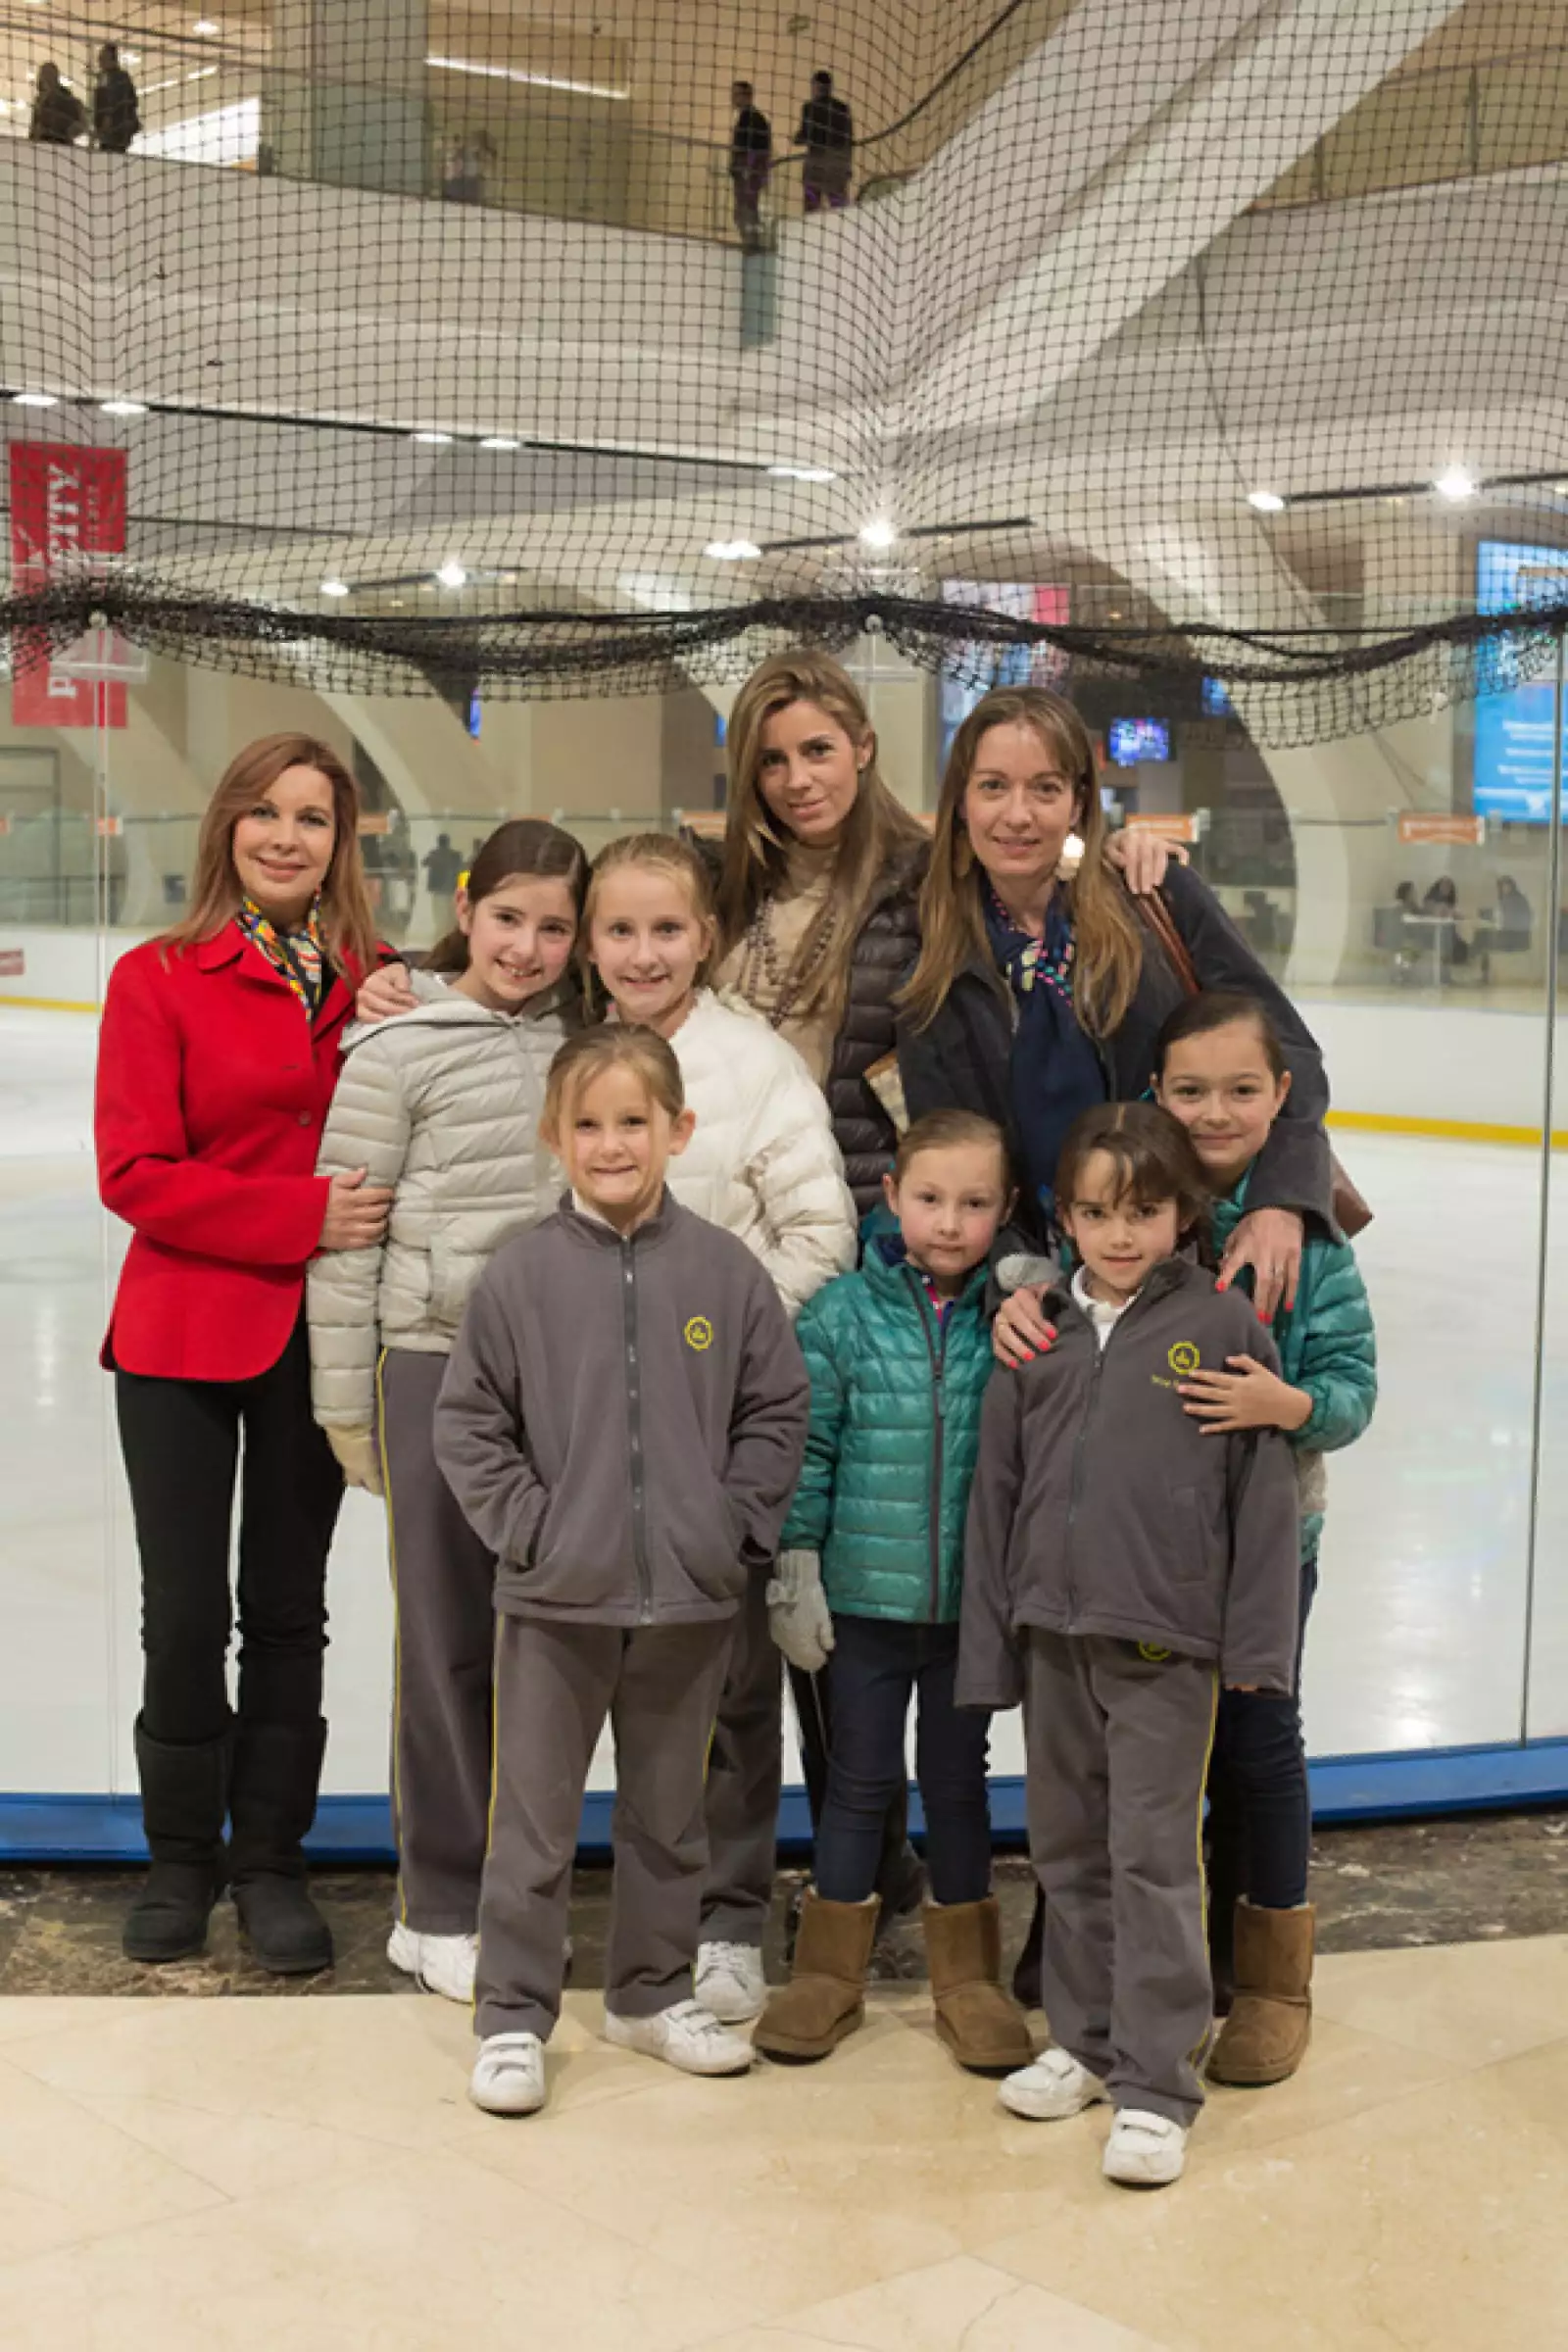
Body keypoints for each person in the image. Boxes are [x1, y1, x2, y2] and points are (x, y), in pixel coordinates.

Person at [433, 1026, 810, 2116]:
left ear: (677, 1130)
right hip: (555, 1604)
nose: (611, 1143)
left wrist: (732, 1527)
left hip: (690, 1603)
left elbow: (774, 1408)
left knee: (668, 1814)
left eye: (633, 1122)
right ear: (553, 1136)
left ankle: (649, 1990)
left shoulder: (724, 1272)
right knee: (536, 1820)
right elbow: (468, 1424)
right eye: (587, 1124)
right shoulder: (521, 1276)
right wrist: (531, 1529)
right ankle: (512, 2013)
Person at [958, 1102, 1301, 2188]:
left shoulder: (1221, 1331)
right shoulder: (1037, 1332)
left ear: (1182, 1215)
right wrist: (991, 1645)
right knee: (1065, 1851)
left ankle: (1156, 2081)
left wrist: (1255, 1651)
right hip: (1055, 1635)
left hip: (1164, 1644)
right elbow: (995, 1497)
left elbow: (1262, 1498)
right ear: (1062, 1217)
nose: (1119, 1235)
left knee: (1153, 1858)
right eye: (1098, 1213)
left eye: (1144, 1212)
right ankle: (1086, 2037)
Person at [95, 735, 391, 1973]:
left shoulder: (373, 982)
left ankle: (270, 1859)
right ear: (226, 827)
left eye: (313, 818)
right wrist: (302, 1213)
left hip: (310, 1342)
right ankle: (180, 1857)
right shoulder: (155, 975)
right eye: (263, 812)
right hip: (180, 1334)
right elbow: (134, 1175)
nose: (285, 837)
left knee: (286, 1611)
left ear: (341, 842)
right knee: (183, 1610)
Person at [307, 820, 588, 2007]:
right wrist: (346, 1407)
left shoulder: (594, 1044)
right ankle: (437, 1903)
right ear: (466, 908)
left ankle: (525, 1885)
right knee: (444, 1637)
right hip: (430, 1361)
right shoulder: (394, 1048)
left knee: (547, 1640)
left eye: (554, 926)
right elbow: (345, 1241)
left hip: (565, 1374)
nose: (527, 946)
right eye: (508, 916)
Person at [582, 834, 858, 2027]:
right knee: (609, 1686)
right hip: (593, 1442)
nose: (643, 953)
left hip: (715, 1430)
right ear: (589, 941)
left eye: (666, 930)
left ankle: (731, 1916)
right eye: (618, 930)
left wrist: (715, 1345)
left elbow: (819, 1235)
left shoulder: (754, 1068)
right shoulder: (571, 1056)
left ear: (706, 938)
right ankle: (645, 1906)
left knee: (731, 1688)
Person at [899, 685, 1333, 1324]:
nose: (1018, 816)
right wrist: (1012, 1285)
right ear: (961, 803)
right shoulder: (934, 973)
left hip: (1188, 1264)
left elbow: (1288, 1055)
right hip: (1042, 1289)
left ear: (1077, 802)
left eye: (1044, 789)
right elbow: (961, 1163)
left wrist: (1280, 1200)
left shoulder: (1154, 900)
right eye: (993, 786)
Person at [754, 1109, 1033, 2076]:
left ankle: (968, 1980)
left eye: (972, 1203)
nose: (948, 1223)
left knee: (958, 1787)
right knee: (859, 1788)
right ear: (891, 1199)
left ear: (1004, 1212)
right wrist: (795, 1562)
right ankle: (827, 1977)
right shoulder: (837, 1317)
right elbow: (811, 1451)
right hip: (863, 1610)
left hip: (966, 1615)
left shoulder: (1019, 1324)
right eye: (928, 1199)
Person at [1153, 992, 1376, 2086]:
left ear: (1282, 1096)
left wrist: (1285, 1407)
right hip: (1148, 1544)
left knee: (1257, 1744)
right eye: (1189, 1090)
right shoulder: (1132, 1211)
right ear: (1155, 1093)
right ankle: (1164, 1958)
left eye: (1242, 1090)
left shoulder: (1309, 1235)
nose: (1214, 1112)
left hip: (1269, 1541)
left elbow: (1351, 1393)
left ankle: (1271, 1975)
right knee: (1153, 1749)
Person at [795, 69, 853, 213]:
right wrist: (847, 165)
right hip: (837, 163)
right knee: (839, 206)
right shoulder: (842, 108)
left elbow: (806, 134)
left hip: (816, 162)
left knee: (811, 204)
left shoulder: (809, 108)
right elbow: (848, 138)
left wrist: (797, 138)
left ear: (815, 86)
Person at [729, 79, 771, 248]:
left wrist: (747, 167)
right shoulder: (750, 117)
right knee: (745, 208)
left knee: (746, 207)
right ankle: (750, 240)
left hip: (749, 172)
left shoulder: (752, 118)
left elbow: (754, 148)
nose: (733, 98)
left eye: (736, 94)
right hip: (748, 171)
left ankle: (751, 242)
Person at [92, 42, 139, 153]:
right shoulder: (111, 77)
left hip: (114, 132)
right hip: (115, 133)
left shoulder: (115, 77)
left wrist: (104, 125)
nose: (99, 61)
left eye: (102, 58)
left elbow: (110, 103)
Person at [29, 62, 86, 146]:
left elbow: (81, 124)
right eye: (43, 74)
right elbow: (35, 127)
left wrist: (66, 131)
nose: (45, 78)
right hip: (42, 144)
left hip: (61, 145)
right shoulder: (39, 100)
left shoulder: (68, 99)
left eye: (49, 74)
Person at [422, 832, 463, 931]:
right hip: (452, 888)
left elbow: (424, 862)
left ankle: (441, 932)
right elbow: (461, 869)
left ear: (438, 842)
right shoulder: (455, 855)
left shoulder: (435, 854)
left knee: (439, 915)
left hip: (438, 889)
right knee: (450, 914)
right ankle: (448, 931)